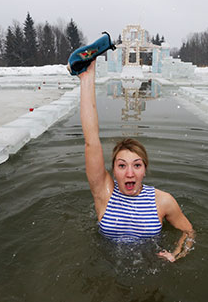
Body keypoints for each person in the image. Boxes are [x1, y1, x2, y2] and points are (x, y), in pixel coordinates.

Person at [79, 60, 195, 262]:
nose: (129, 173)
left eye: (137, 165)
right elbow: (91, 141)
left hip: (150, 265)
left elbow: (189, 232)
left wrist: (176, 254)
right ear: (113, 170)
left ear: (144, 170)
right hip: (107, 265)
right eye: (122, 165)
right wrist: (87, 79)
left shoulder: (163, 201)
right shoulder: (103, 193)